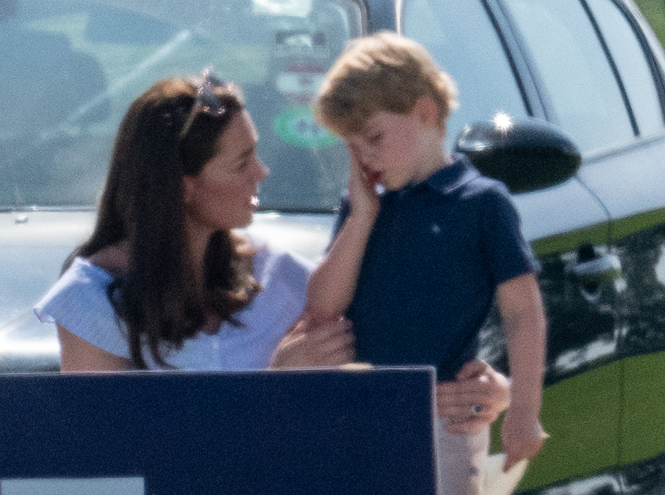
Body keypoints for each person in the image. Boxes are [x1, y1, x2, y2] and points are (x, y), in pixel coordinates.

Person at [33, 68, 510, 430]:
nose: (262, 172)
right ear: (182, 188)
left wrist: (488, 392)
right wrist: (275, 386)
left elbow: (394, 367)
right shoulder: (90, 300)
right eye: (242, 162)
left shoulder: (279, 274)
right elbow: (113, 454)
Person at [307, 32, 548, 493]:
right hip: (357, 417)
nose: (365, 155)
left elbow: (522, 310)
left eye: (374, 136)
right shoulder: (362, 206)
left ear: (425, 112)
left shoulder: (481, 203)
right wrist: (361, 217)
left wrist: (523, 412)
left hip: (446, 419)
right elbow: (323, 306)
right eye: (352, 145)